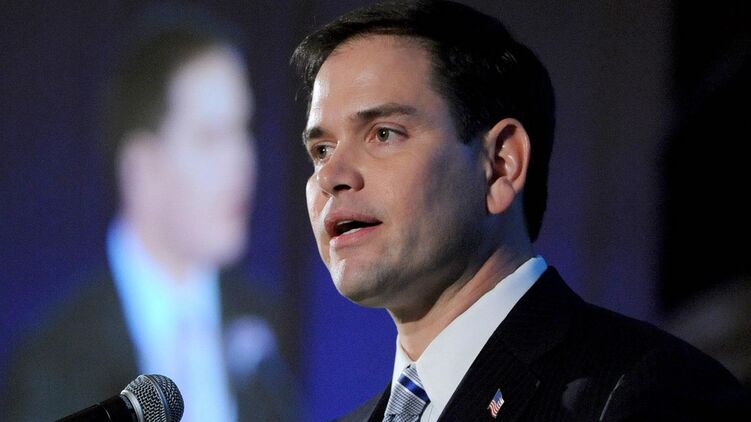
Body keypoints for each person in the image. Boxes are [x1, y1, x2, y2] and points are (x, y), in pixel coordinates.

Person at [290, 0, 750, 420]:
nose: (332, 176)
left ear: (500, 164)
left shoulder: (649, 392)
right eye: (322, 150)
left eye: (383, 134)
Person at [2, 13, 295, 422]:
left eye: (243, 131)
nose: (243, 162)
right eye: (211, 137)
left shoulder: (266, 326)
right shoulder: (51, 361)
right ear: (142, 167)